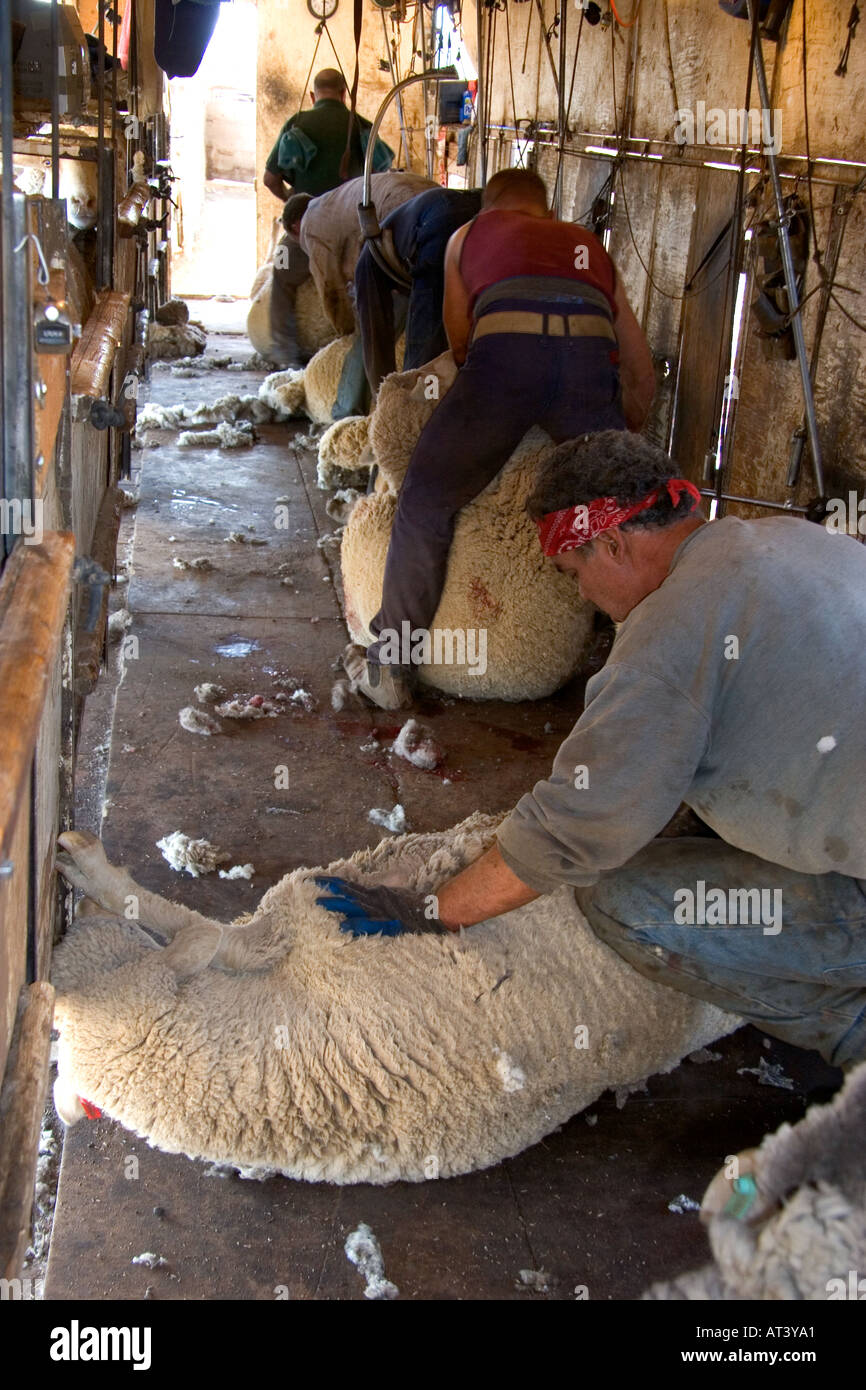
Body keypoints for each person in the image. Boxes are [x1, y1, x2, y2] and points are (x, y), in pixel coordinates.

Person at [318, 431, 866, 1072]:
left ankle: (852, 1034)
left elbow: (575, 829)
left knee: (620, 903)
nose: (581, 594)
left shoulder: (669, 636)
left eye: (575, 573)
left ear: (612, 542)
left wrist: (430, 910)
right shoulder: (792, 539)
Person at [342, 167, 655, 709]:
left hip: (504, 364)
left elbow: (462, 345)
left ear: (489, 208)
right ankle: (653, 669)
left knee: (427, 497)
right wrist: (618, 429)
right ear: (548, 212)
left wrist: (501, 409)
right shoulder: (588, 247)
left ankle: (390, 663)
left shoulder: (467, 237)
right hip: (587, 368)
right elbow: (639, 367)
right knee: (627, 514)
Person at [297, 170, 438, 417]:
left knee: (372, 334)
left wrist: (344, 332)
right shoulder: (336, 201)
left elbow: (331, 289)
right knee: (432, 327)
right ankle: (425, 407)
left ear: (293, 227)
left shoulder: (310, 226)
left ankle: (352, 414)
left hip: (403, 225)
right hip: (428, 207)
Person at [354, 186, 483, 395]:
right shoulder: (394, 232)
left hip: (436, 225)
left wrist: (383, 395)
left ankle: (416, 411)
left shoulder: (366, 265)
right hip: (477, 211)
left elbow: (375, 338)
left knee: (425, 340)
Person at [262, 68, 394, 203]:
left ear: (312, 97)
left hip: (307, 217)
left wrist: (289, 198)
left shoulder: (295, 124)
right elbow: (379, 178)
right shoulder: (363, 126)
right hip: (349, 218)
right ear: (343, 94)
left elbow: (269, 180)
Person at [268, 192, 314, 368]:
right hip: (307, 213)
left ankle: (282, 348)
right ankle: (283, 348)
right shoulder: (285, 249)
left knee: (280, 270)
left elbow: (270, 180)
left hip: (310, 215)